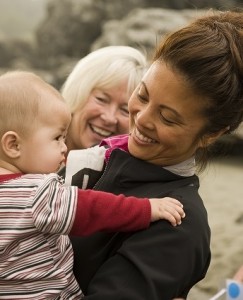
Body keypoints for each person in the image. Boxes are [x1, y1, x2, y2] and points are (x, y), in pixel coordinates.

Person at [66, 10, 243, 300]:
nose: (142, 118)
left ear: (211, 134)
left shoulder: (177, 226)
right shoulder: (99, 157)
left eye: (168, 118)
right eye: (143, 95)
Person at [0, 70, 186, 299]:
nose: (64, 147)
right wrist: (147, 209)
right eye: (57, 138)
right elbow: (93, 209)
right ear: (13, 145)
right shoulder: (38, 193)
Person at [61, 45, 148, 153]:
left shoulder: (131, 168)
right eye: (101, 99)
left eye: (125, 110)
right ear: (76, 91)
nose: (109, 118)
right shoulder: (34, 149)